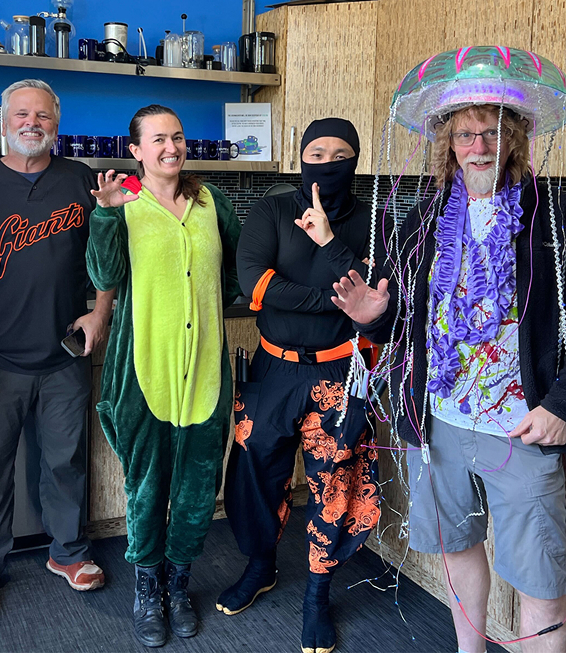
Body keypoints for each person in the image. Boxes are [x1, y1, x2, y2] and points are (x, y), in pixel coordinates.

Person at [333, 47, 566, 653]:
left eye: (492, 132)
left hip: (524, 423)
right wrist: (376, 316)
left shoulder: (553, 215)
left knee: (539, 569)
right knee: (457, 547)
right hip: (436, 420)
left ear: (513, 136)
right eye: (466, 134)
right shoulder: (428, 215)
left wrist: (562, 402)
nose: (479, 146)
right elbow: (403, 310)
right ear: (448, 143)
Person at [0, 78, 113, 619]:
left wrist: (100, 311)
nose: (33, 123)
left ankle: (68, 553)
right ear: (4, 121)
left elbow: (108, 249)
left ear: (56, 125)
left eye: (44, 117)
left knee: (66, 463)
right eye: (22, 115)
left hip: (64, 352)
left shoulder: (80, 179)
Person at [223, 118, 387, 653]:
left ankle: (318, 593)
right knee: (257, 471)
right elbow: (257, 284)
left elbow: (378, 295)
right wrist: (337, 301)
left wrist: (331, 242)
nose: (328, 161)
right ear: (300, 157)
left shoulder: (374, 220)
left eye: (341, 153)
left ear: (355, 161)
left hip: (341, 369)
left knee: (334, 479)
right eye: (317, 151)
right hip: (274, 369)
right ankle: (261, 565)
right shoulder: (271, 210)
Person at [86, 105, 241, 648]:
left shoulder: (211, 203)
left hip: (204, 371)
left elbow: (234, 275)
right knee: (147, 487)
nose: (170, 147)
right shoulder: (122, 203)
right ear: (136, 150)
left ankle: (179, 584)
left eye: (176, 137)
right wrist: (105, 215)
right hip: (143, 369)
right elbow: (104, 275)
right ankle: (147, 586)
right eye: (157, 139)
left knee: (199, 487)